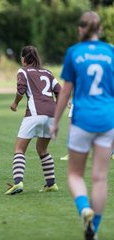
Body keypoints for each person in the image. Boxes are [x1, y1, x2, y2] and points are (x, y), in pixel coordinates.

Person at [51, 11, 114, 240]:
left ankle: (84, 208)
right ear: (99, 29)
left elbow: (65, 92)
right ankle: (93, 229)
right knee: (99, 178)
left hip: (82, 120)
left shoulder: (74, 53)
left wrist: (56, 122)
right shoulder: (111, 52)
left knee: (75, 175)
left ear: (80, 29)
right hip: (107, 120)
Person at [4, 46, 61, 195]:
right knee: (42, 149)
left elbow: (21, 90)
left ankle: (18, 183)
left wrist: (15, 103)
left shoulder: (23, 71)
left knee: (19, 149)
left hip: (35, 113)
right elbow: (59, 91)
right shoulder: (47, 72)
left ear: (24, 58)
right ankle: (51, 183)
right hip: (52, 114)